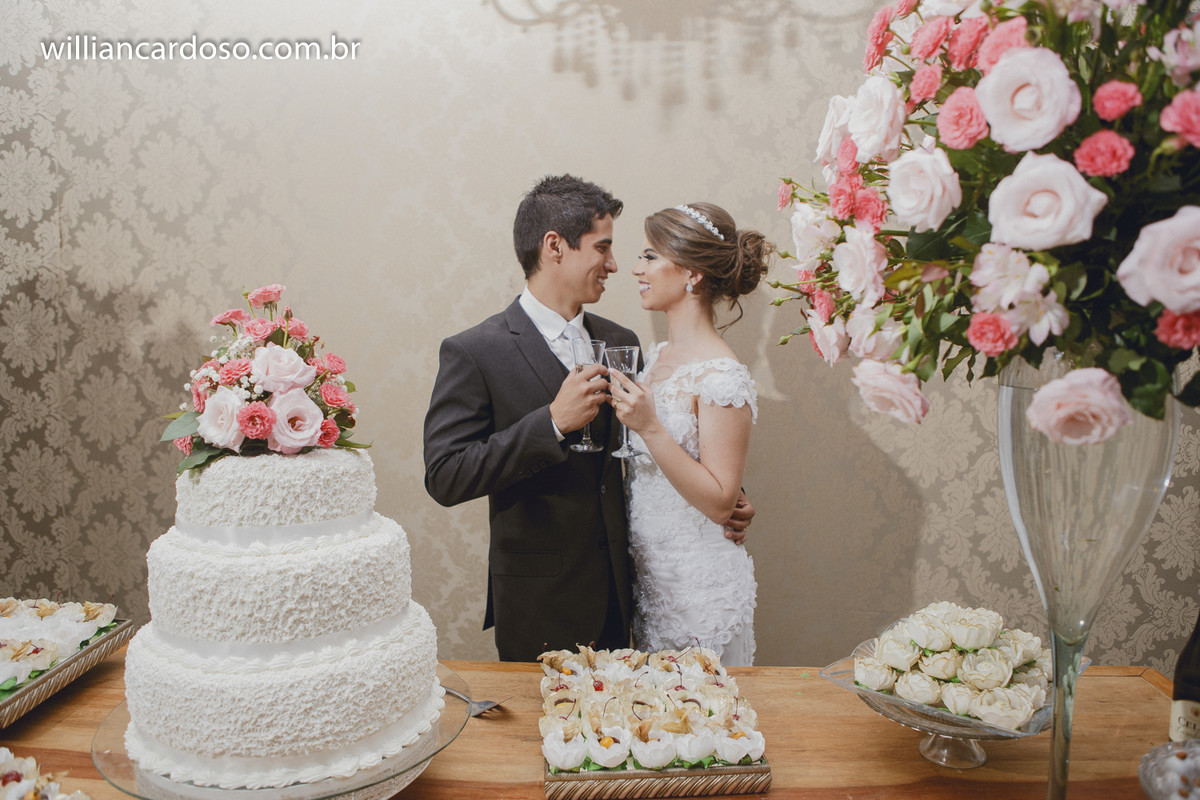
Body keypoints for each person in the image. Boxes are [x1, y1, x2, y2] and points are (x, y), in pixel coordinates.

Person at [423, 177, 753, 662]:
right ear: (555, 246)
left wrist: (728, 497)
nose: (616, 265)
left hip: (628, 593)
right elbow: (445, 476)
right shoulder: (475, 351)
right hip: (542, 602)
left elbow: (660, 446)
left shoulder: (623, 343)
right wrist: (552, 423)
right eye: (603, 248)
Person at [607, 202, 773, 666]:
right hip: (650, 582)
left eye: (649, 256)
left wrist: (650, 427)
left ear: (692, 275)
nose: (636, 269)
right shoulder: (656, 356)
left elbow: (721, 501)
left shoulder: (722, 374)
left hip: (699, 587)